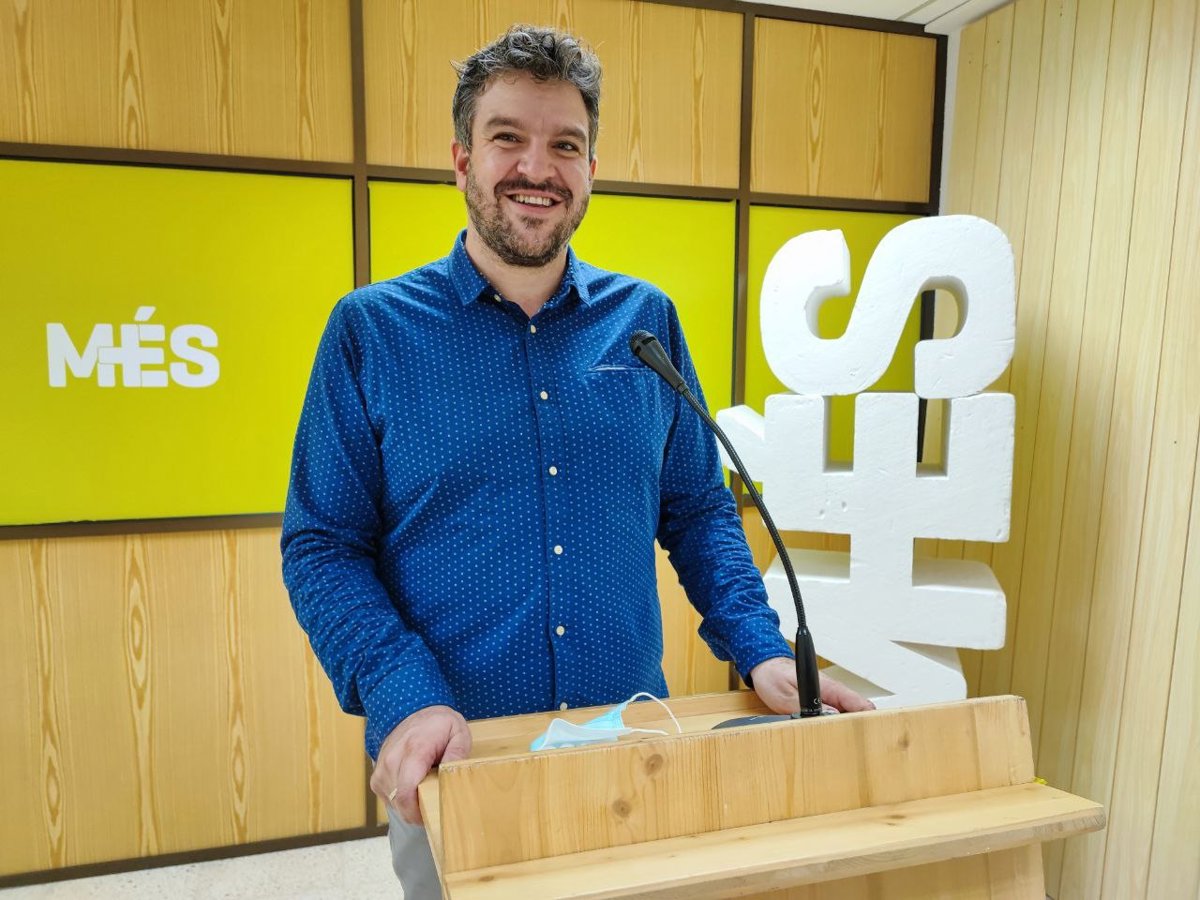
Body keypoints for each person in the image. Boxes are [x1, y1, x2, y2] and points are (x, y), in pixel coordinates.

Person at [281, 24, 872, 897]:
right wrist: (405, 693)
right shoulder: (371, 331)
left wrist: (759, 647)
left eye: (565, 144)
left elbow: (696, 509)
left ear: (590, 169)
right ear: (462, 159)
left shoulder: (645, 322)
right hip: (460, 762)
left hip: (631, 750)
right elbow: (322, 546)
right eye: (507, 138)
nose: (538, 167)